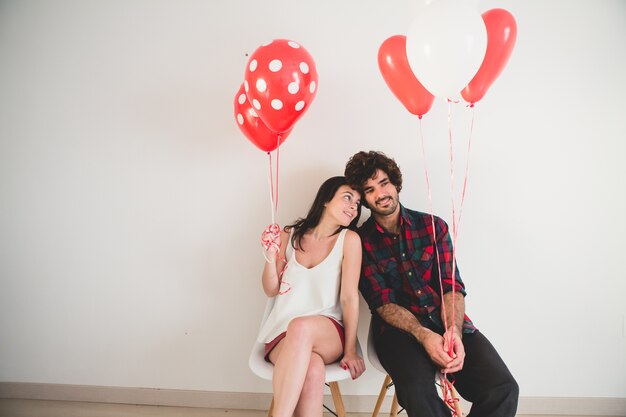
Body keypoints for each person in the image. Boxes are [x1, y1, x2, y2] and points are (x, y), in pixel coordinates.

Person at [344, 151, 518, 417]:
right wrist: (424, 335)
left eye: (384, 183)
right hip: (398, 333)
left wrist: (453, 332)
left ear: (395, 182)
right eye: (370, 190)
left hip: (446, 322)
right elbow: (382, 303)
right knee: (417, 391)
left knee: (503, 388)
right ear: (364, 199)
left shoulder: (434, 227)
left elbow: (451, 286)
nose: (380, 194)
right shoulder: (360, 241)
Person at [257, 176, 366, 417]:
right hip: (282, 334)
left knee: (302, 327)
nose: (353, 207)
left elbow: (349, 298)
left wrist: (350, 350)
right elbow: (271, 290)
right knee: (313, 370)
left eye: (357, 203)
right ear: (326, 200)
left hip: (328, 332)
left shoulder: (349, 241)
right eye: (347, 198)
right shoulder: (289, 234)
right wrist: (270, 255)